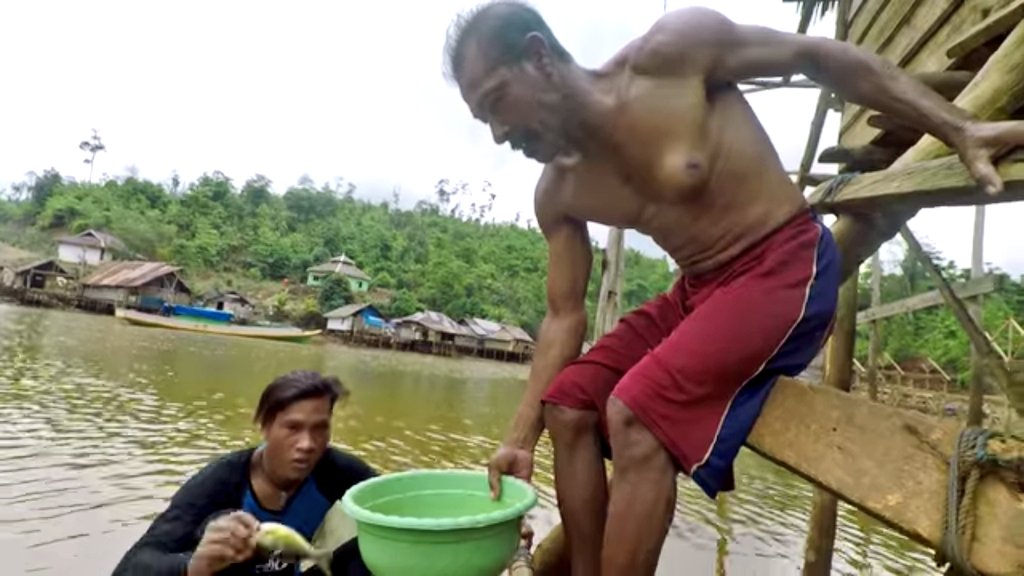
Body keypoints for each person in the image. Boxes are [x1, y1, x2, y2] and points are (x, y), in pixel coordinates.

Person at [442, 2, 1024, 574]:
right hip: (696, 291)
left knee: (634, 413)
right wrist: (520, 436)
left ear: (538, 56)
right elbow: (563, 315)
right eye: (481, 120)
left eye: (497, 102)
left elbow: (815, 56)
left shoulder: (672, 55)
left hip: (783, 263)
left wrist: (959, 126)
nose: (497, 134)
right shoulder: (558, 192)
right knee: (567, 407)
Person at [112, 370, 376, 576]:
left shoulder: (339, 472)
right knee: (224, 526)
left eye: (319, 429)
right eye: (293, 428)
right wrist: (194, 566)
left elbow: (398, 510)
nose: (307, 444)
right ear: (265, 427)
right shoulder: (218, 484)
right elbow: (132, 566)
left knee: (368, 542)